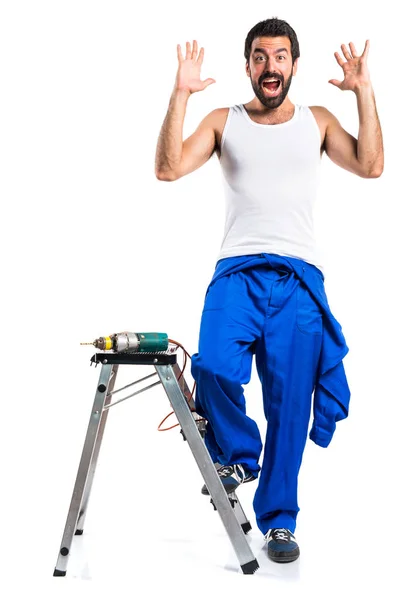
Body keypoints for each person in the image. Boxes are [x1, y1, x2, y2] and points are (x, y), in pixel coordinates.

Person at [154, 17, 383, 564]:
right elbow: (167, 169)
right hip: (236, 272)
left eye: (280, 56)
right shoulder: (223, 121)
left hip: (300, 280)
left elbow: (372, 166)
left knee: (289, 407)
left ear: (294, 66)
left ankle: (279, 522)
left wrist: (365, 91)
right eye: (260, 56)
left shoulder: (318, 121)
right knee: (211, 366)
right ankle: (239, 453)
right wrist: (180, 93)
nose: (270, 66)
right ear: (249, 66)